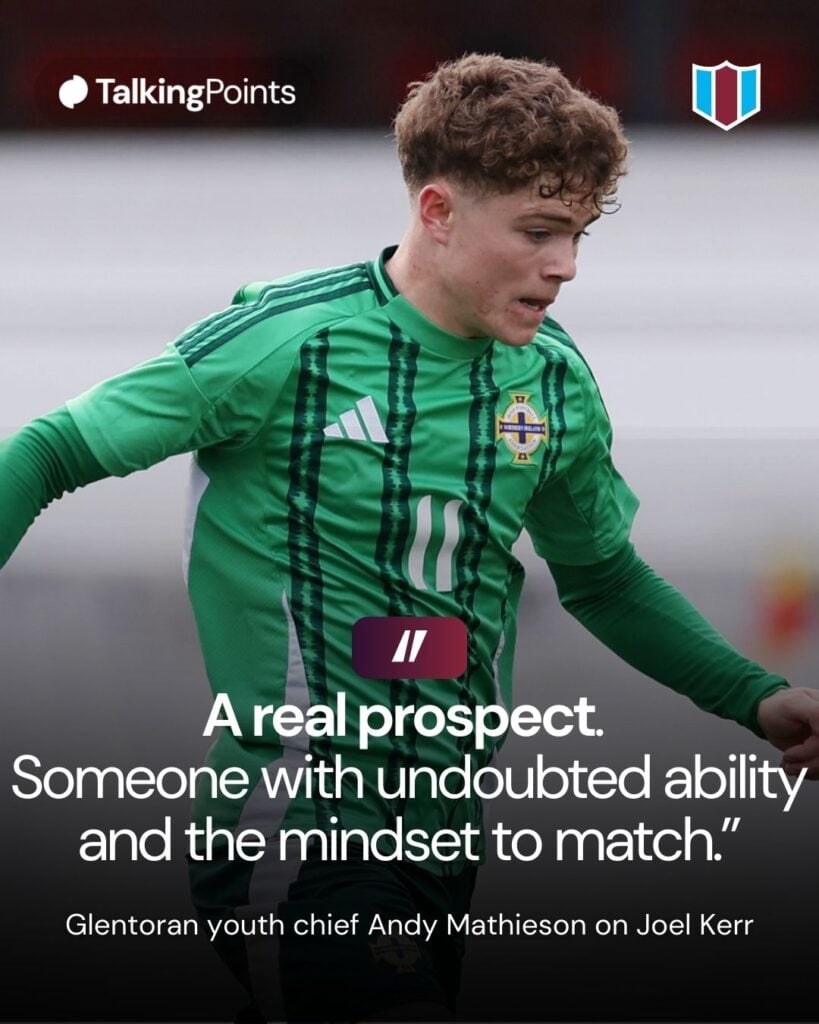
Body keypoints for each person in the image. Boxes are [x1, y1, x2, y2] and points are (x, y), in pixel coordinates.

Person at [2, 53, 819, 1022]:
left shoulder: (550, 383)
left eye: (578, 235)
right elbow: (47, 451)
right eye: (539, 232)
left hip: (440, 838)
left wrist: (754, 696)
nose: (566, 266)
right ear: (437, 212)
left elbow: (603, 578)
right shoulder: (287, 342)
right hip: (304, 820)